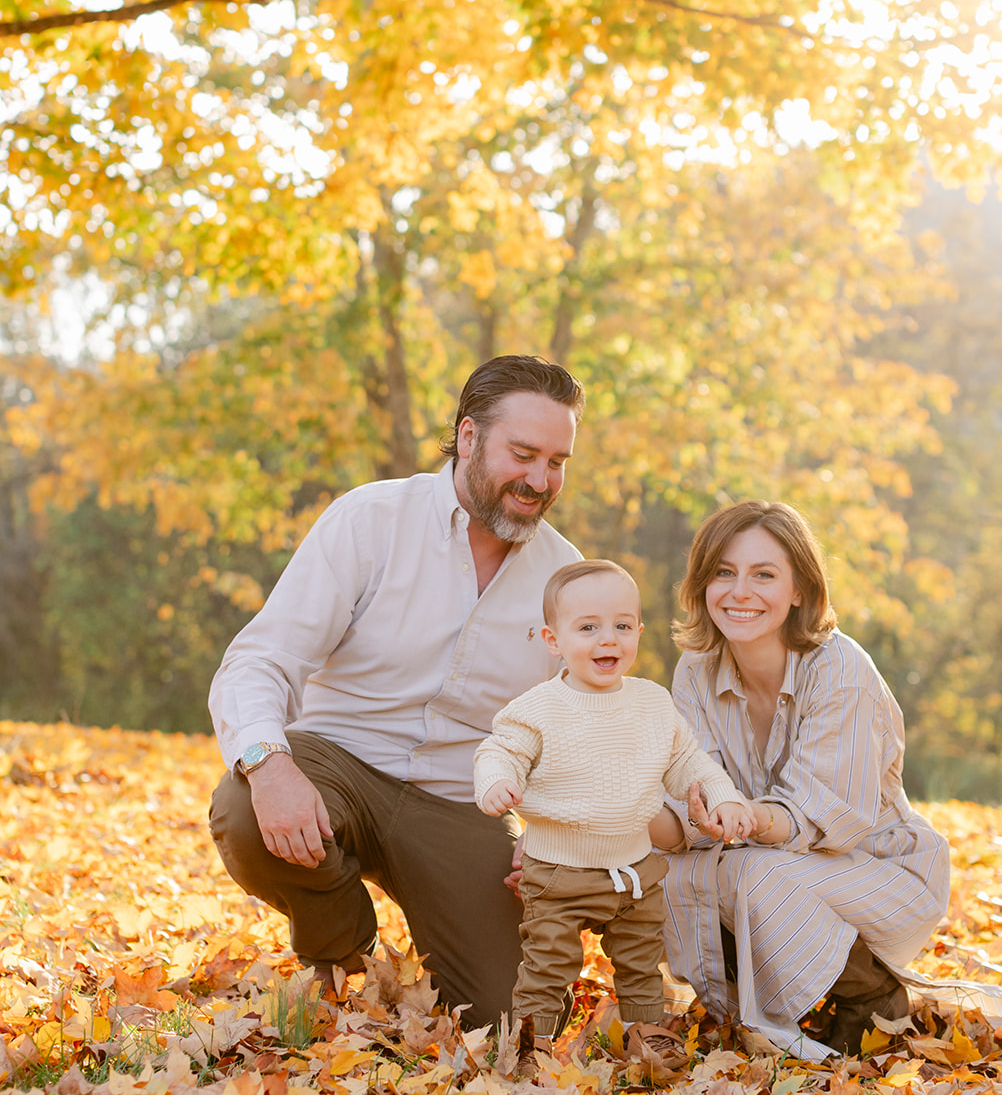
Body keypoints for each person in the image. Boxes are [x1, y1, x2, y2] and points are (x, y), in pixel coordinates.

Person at [208, 355, 585, 1029]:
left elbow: (574, 734)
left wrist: (554, 831)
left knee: (513, 1020)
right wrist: (270, 765)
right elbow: (261, 659)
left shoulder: (567, 578)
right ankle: (341, 944)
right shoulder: (371, 520)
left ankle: (447, 949)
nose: (539, 479)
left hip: (458, 803)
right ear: (469, 437)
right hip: (340, 763)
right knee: (244, 807)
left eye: (557, 461)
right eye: (523, 454)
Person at [655, 500, 951, 1056]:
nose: (739, 592)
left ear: (798, 590)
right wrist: (589, 828)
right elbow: (689, 801)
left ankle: (871, 994)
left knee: (751, 870)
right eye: (724, 572)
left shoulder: (841, 671)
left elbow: (823, 820)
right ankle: (740, 1003)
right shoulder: (696, 670)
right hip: (774, 859)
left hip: (876, 868)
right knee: (667, 869)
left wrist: (741, 818)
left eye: (763, 575)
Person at [473, 559, 756, 1042]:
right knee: (547, 964)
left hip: (634, 871)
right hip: (557, 872)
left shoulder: (651, 703)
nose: (608, 639)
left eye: (622, 626)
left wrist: (724, 796)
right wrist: (496, 781)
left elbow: (689, 761)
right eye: (588, 628)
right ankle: (530, 1048)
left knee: (641, 961)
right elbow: (499, 749)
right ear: (552, 640)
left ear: (639, 632)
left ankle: (646, 1039)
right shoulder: (538, 709)